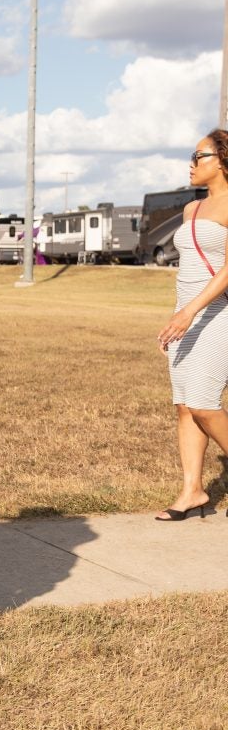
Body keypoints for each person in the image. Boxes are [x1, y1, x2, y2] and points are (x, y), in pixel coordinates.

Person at [156, 129, 228, 521]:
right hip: (184, 313)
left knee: (203, 403)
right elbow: (188, 269)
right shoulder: (191, 210)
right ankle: (192, 491)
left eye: (197, 156)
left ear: (221, 160)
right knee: (184, 406)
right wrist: (177, 315)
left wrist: (191, 312)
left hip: (216, 312)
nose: (190, 163)